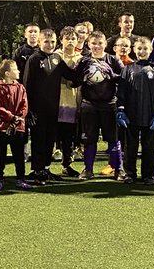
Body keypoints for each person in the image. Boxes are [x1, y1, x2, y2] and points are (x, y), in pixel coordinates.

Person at [62, 31, 123, 180]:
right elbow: (73, 82)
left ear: (105, 44)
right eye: (93, 43)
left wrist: (112, 75)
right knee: (89, 139)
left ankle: (119, 169)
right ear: (89, 44)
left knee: (113, 139)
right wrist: (82, 78)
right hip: (89, 106)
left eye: (100, 43)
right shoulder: (83, 61)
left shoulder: (113, 60)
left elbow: (124, 80)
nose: (97, 46)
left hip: (110, 106)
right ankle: (88, 169)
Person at [22, 28, 66, 183]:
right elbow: (26, 85)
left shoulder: (57, 59)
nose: (50, 44)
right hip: (37, 109)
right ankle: (37, 170)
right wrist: (28, 110)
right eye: (46, 41)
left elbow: (71, 75)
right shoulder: (34, 59)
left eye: (53, 41)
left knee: (50, 139)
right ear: (40, 42)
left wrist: (86, 70)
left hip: (53, 108)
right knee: (38, 139)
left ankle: (46, 169)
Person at [117, 37, 154, 183]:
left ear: (150, 50)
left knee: (149, 147)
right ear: (133, 50)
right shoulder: (127, 69)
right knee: (130, 146)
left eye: (145, 49)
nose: (142, 52)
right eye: (139, 49)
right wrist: (120, 110)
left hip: (149, 116)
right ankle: (130, 174)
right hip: (131, 115)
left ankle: (148, 175)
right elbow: (121, 92)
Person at [0, 59, 33, 192]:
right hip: (1, 128)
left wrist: (18, 118)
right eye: (15, 69)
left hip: (18, 127)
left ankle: (21, 179)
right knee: (0, 156)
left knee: (19, 155)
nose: (18, 71)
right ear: (7, 73)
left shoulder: (20, 87)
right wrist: (11, 117)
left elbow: (24, 105)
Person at [56, 28, 82, 177]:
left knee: (69, 137)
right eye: (67, 38)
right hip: (56, 102)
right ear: (61, 40)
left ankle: (67, 165)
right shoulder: (55, 57)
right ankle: (44, 167)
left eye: (73, 38)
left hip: (72, 102)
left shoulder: (81, 58)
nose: (70, 41)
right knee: (53, 136)